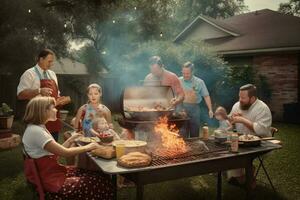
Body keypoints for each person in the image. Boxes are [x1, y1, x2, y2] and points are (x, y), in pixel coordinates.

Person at [22, 96, 113, 199]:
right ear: (43, 111)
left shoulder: (37, 128)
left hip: (52, 174)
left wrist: (71, 139)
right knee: (100, 180)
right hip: (52, 182)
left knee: (95, 173)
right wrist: (89, 146)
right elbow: (65, 153)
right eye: (53, 107)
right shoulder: (36, 131)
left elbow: (56, 151)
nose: (56, 110)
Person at [17, 49, 70, 141]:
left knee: (54, 150)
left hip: (53, 118)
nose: (51, 64)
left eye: (52, 62)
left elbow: (56, 95)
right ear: (41, 59)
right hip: (38, 118)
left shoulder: (52, 74)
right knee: (39, 150)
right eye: (49, 61)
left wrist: (62, 100)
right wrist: (39, 91)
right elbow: (20, 95)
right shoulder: (29, 73)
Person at [227, 84, 272, 186]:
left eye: (243, 97)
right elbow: (230, 119)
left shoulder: (262, 108)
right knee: (229, 149)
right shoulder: (238, 105)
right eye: (239, 96)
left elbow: (261, 130)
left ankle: (248, 176)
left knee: (237, 152)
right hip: (241, 140)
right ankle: (240, 176)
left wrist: (243, 120)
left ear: (252, 98)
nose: (240, 100)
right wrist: (232, 118)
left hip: (261, 143)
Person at [178, 61, 213, 137]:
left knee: (195, 133)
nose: (185, 75)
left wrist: (210, 109)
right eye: (183, 73)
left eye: (187, 73)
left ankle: (195, 147)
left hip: (195, 109)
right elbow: (174, 94)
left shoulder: (199, 82)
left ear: (192, 72)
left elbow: (206, 96)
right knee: (182, 133)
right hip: (182, 108)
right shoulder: (178, 81)